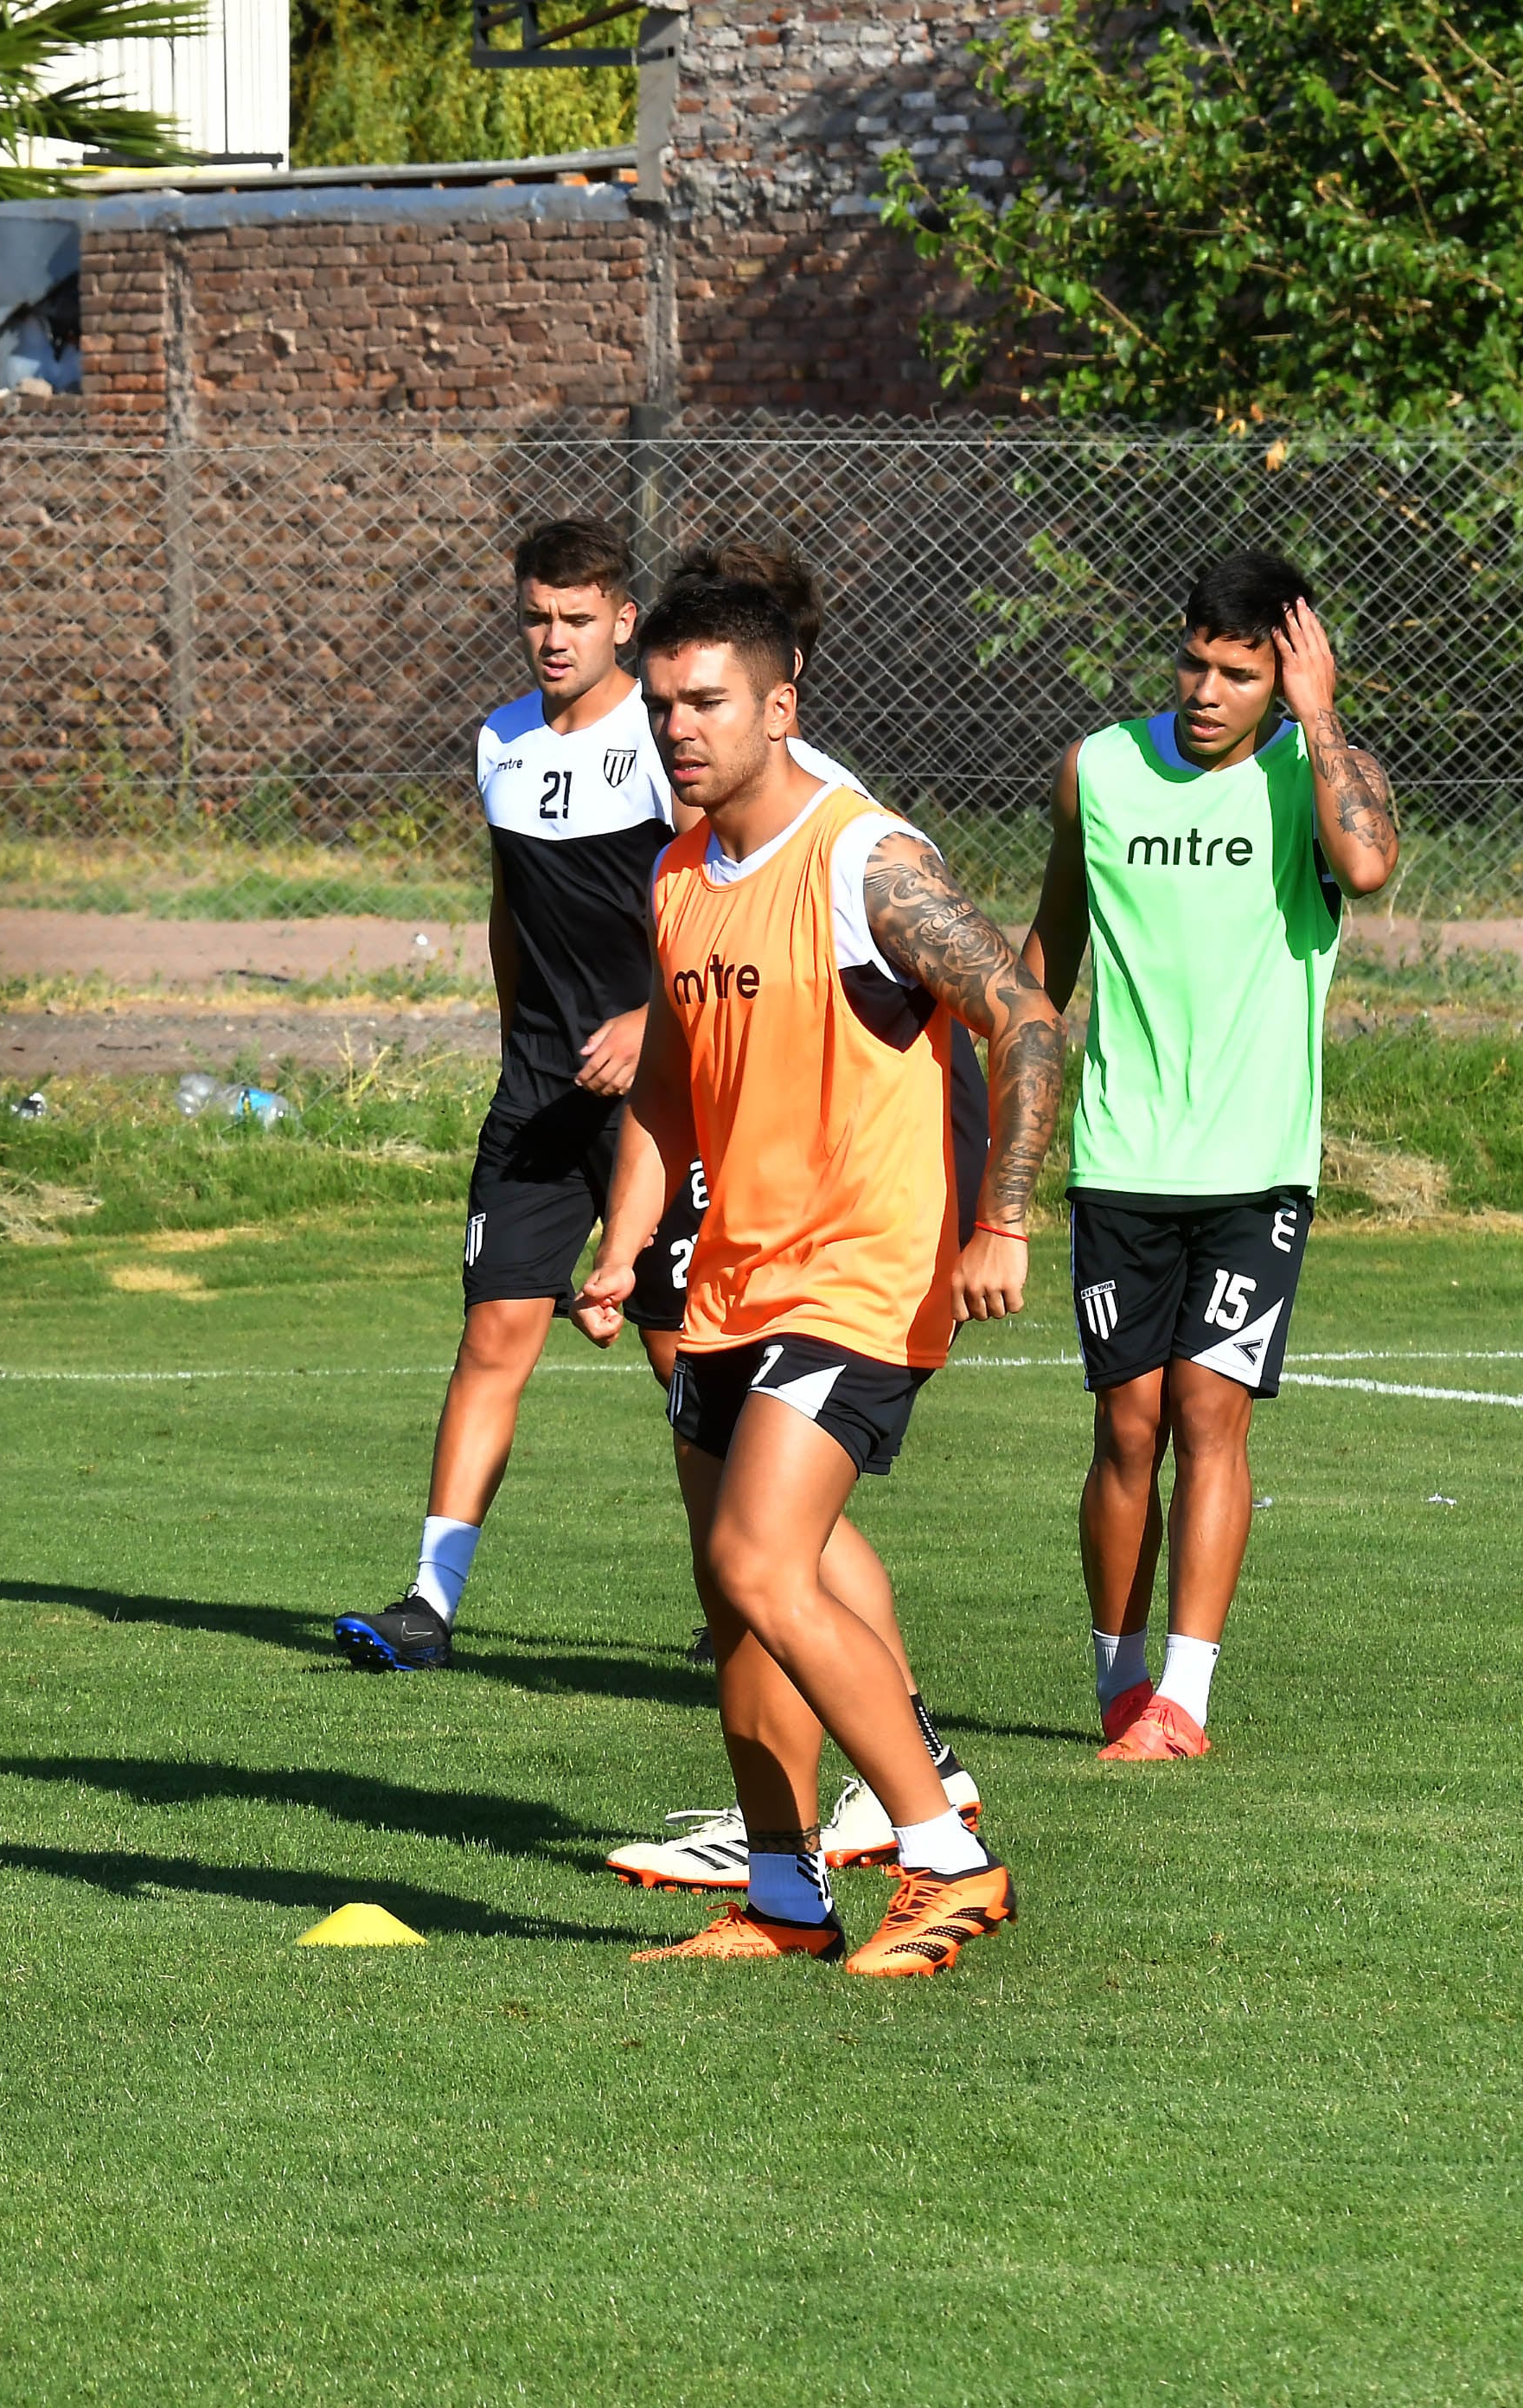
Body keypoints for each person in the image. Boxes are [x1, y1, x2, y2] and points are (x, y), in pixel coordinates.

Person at [574, 579, 1064, 1976]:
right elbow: (668, 1082)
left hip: (862, 1269)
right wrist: (622, 1246)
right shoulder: (679, 875)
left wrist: (1004, 1218)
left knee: (759, 1555)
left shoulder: (861, 860)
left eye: (705, 700)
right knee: (730, 1597)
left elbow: (1021, 1020)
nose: (676, 727)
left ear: (780, 706)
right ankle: (786, 1896)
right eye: (660, 703)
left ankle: (950, 1856)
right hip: (731, 1274)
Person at [1022, 554, 1395, 1760]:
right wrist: (1002, 1160)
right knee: (1125, 1427)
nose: (1208, 689)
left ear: (1280, 679)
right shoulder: (1100, 769)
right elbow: (1049, 956)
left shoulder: (1310, 775)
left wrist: (1321, 711)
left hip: (1255, 1168)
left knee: (1206, 1415)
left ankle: (1185, 1698)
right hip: (1120, 1158)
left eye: (1241, 673)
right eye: (1196, 661)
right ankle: (1119, 1681)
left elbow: (1372, 865)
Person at [332, 519, 700, 1673]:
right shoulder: (497, 741)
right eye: (537, 614)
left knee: (680, 1347)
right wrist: (516, 1039)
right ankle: (429, 1606)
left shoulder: (660, 741)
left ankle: (744, 1586)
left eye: (578, 617)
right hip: (539, 1088)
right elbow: (511, 909)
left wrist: (651, 1023)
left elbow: (717, 899)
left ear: (625, 623)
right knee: (493, 1331)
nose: (553, 636)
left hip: (662, 1091)